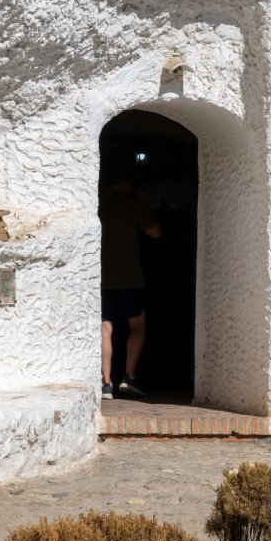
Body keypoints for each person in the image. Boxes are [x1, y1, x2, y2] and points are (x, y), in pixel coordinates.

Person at [99, 168, 161, 399]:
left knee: (106, 328)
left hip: (101, 278)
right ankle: (129, 376)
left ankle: (106, 384)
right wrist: (142, 203)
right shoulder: (131, 203)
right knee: (138, 326)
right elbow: (155, 232)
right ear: (125, 184)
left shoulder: (98, 203)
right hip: (129, 278)